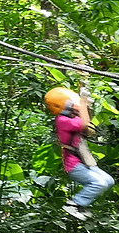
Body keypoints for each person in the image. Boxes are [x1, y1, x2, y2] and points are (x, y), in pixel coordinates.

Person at [45, 86, 114, 220]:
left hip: (85, 162)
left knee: (108, 181)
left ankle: (81, 205)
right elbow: (85, 124)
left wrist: (85, 104)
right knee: (99, 183)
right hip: (74, 165)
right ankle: (74, 204)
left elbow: (90, 130)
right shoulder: (63, 121)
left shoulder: (71, 118)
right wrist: (82, 103)